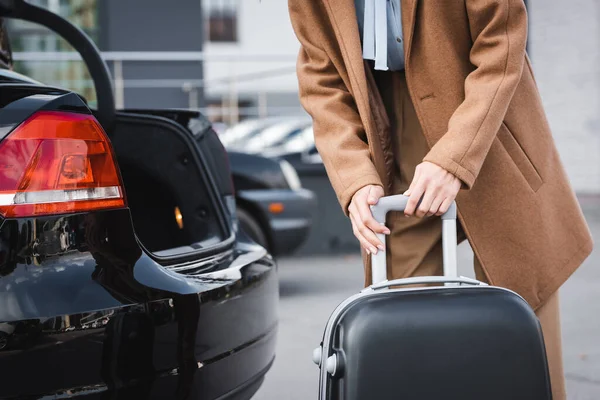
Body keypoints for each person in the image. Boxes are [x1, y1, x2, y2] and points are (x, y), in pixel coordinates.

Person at [288, 1, 593, 399]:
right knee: (404, 323)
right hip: (387, 128)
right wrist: (354, 176)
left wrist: (454, 158)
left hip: (490, 121)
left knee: (523, 311)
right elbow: (321, 75)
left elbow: (501, 40)